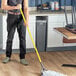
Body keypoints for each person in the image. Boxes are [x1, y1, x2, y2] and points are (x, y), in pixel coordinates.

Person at [1, 0, 29, 65]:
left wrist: (27, 19)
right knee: (10, 38)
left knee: (22, 38)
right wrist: (15, 7)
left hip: (21, 18)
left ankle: (22, 57)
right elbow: (3, 6)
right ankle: (8, 56)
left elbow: (26, 8)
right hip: (11, 17)